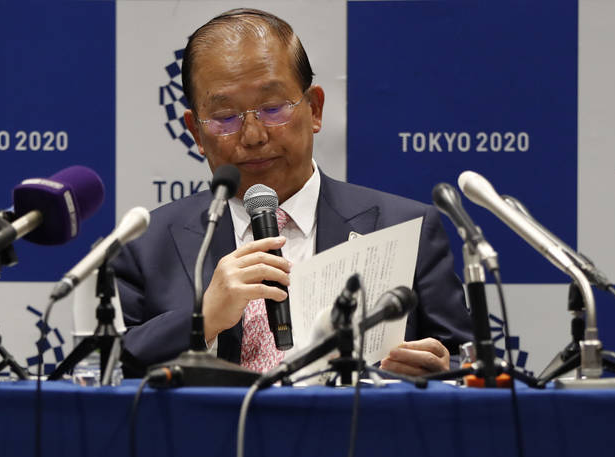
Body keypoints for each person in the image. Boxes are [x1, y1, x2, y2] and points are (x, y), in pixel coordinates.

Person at [112, 7, 471, 377]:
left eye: (272, 108)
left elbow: (469, 366)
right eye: (224, 118)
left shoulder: (404, 227)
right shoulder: (145, 245)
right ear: (195, 133)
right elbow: (106, 370)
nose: (253, 135)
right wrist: (200, 321)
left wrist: (441, 373)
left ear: (314, 109)